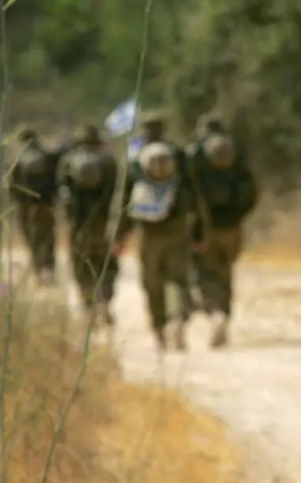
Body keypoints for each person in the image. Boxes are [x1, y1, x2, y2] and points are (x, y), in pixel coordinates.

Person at [124, 112, 209, 351]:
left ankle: (159, 329)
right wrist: (200, 229)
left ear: (144, 129)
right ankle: (177, 319)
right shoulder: (179, 154)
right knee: (177, 278)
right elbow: (194, 193)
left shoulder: (134, 157)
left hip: (146, 229)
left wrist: (121, 233)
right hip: (177, 225)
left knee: (152, 282)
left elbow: (123, 198)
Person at [185, 112, 258, 348]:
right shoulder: (236, 153)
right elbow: (251, 189)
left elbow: (187, 192)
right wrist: (238, 216)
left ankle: (214, 313)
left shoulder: (195, 154)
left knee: (204, 274)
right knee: (225, 272)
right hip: (232, 227)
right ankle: (224, 315)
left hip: (205, 228)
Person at [57, 124, 123, 325]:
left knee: (81, 265)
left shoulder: (67, 161)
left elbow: (62, 194)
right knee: (107, 265)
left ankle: (88, 306)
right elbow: (117, 194)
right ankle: (104, 302)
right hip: (104, 225)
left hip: (78, 226)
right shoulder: (109, 161)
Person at [9, 126, 59, 285]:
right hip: (45, 204)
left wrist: (17, 201)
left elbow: (11, 183)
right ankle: (49, 269)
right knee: (48, 237)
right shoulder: (47, 156)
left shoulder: (16, 158)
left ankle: (38, 270)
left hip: (25, 206)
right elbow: (55, 179)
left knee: (31, 237)